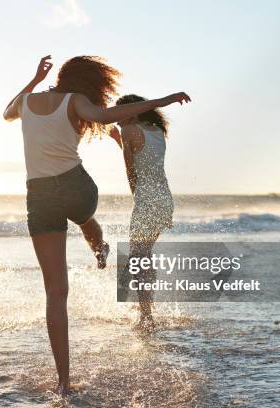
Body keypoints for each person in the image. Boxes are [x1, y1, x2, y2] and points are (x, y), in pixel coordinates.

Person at [3, 55, 191, 394]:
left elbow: (6, 113)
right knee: (85, 217)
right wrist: (164, 100)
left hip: (40, 197)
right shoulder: (76, 101)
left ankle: (63, 383)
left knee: (55, 294)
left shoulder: (27, 101)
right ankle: (98, 242)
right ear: (89, 83)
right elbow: (107, 116)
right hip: (77, 189)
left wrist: (33, 80)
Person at [109, 94, 183, 331]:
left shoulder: (128, 130)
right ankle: (145, 307)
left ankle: (146, 316)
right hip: (164, 199)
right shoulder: (156, 131)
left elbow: (132, 171)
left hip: (148, 201)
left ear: (133, 112)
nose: (115, 117)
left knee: (139, 257)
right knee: (142, 255)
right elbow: (144, 158)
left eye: (119, 112)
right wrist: (117, 141)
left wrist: (138, 200)